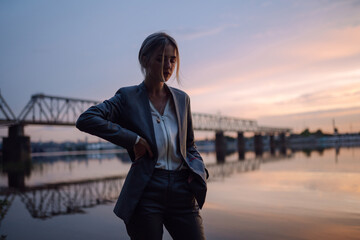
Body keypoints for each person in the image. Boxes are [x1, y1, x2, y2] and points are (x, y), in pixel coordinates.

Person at [76, 32, 208, 240]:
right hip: (147, 190)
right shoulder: (127, 97)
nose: (168, 66)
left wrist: (199, 170)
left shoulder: (183, 100)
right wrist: (133, 140)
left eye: (172, 60)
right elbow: (87, 119)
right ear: (144, 59)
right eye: (161, 59)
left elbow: (189, 146)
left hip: (183, 192)